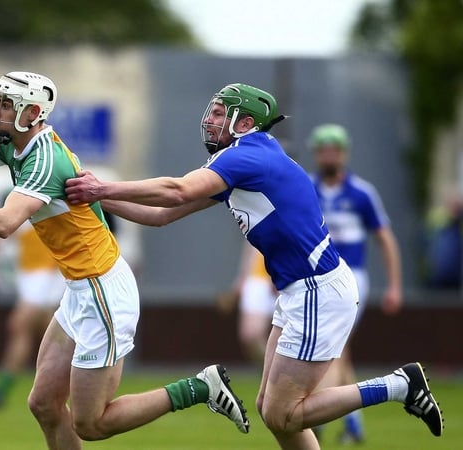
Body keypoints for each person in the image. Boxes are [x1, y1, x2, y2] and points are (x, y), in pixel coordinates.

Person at [0, 71, 249, 449]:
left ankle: (199, 388)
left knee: (92, 424)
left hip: (103, 291)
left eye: (5, 105)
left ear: (32, 114)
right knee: (45, 405)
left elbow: (4, 223)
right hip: (79, 288)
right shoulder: (15, 144)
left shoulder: (43, 161)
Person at [64, 83, 444, 449]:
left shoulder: (245, 155)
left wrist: (102, 188)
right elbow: (160, 215)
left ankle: (399, 385)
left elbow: (177, 191)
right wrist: (89, 199)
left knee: (284, 414)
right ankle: (399, 386)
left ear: (245, 123)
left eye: (219, 113)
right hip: (301, 290)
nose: (210, 120)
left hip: (317, 290)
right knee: (272, 410)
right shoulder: (245, 158)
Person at [308, 123, 403, 443]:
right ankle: (353, 424)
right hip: (317, 280)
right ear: (316, 154)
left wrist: (394, 286)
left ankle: (317, 418)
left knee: (335, 349)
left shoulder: (362, 193)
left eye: (334, 150)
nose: (329, 156)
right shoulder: (307, 188)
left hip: (352, 280)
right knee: (340, 351)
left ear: (344, 154)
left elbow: (385, 239)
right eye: (323, 150)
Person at [0, 220, 66, 410]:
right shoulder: (24, 208)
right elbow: (8, 229)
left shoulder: (44, 204)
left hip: (46, 274)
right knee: (54, 337)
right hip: (32, 275)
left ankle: (0, 391)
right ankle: (76, 383)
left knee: (20, 325)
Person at [216, 241, 275, 364]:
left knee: (253, 334)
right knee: (248, 337)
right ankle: (272, 369)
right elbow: (248, 257)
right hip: (254, 281)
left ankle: (277, 370)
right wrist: (237, 287)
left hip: (268, 281)